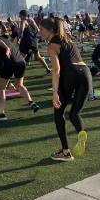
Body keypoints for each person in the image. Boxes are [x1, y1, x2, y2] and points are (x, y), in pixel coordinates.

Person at [40, 17, 92, 162]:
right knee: (75, 114)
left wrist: (55, 92)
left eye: (42, 29)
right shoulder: (68, 39)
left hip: (70, 73)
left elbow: (56, 69)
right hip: (85, 72)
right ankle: (81, 133)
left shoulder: (52, 45)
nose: (40, 32)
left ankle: (65, 152)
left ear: (50, 30)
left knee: (59, 113)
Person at [0, 26, 40, 120]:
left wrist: (7, 49)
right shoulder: (6, 38)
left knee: (1, 88)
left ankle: (1, 114)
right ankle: (31, 102)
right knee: (19, 85)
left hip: (10, 64)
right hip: (21, 62)